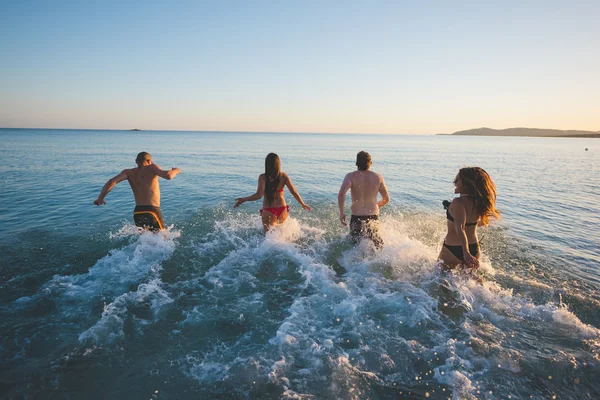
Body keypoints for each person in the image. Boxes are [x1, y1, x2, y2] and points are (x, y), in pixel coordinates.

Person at [93, 152, 181, 231]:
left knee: (144, 240)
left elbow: (111, 182)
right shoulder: (152, 167)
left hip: (138, 212)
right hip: (152, 210)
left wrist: (100, 198)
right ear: (149, 161)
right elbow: (168, 175)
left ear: (136, 161)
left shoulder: (128, 172)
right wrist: (176, 170)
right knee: (163, 238)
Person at [438, 167, 501, 269]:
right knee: (471, 281)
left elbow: (460, 227)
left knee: (439, 279)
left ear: (467, 184)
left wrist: (465, 252)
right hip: (474, 248)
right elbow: (477, 223)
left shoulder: (458, 202)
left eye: (458, 179)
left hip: (454, 249)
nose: (454, 182)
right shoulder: (478, 202)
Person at [234, 153, 311, 232]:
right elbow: (293, 191)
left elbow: (259, 195)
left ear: (266, 164)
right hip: (282, 210)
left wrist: (244, 199)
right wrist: (302, 204)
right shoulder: (284, 176)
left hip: (268, 211)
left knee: (269, 237)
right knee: (280, 234)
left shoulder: (263, 177)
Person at [338, 151, 390, 248]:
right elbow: (386, 199)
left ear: (356, 163)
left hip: (357, 217)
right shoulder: (378, 177)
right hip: (373, 217)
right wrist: (377, 205)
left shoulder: (350, 176)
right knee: (377, 245)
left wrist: (342, 212)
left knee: (354, 246)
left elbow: (341, 194)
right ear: (371, 163)